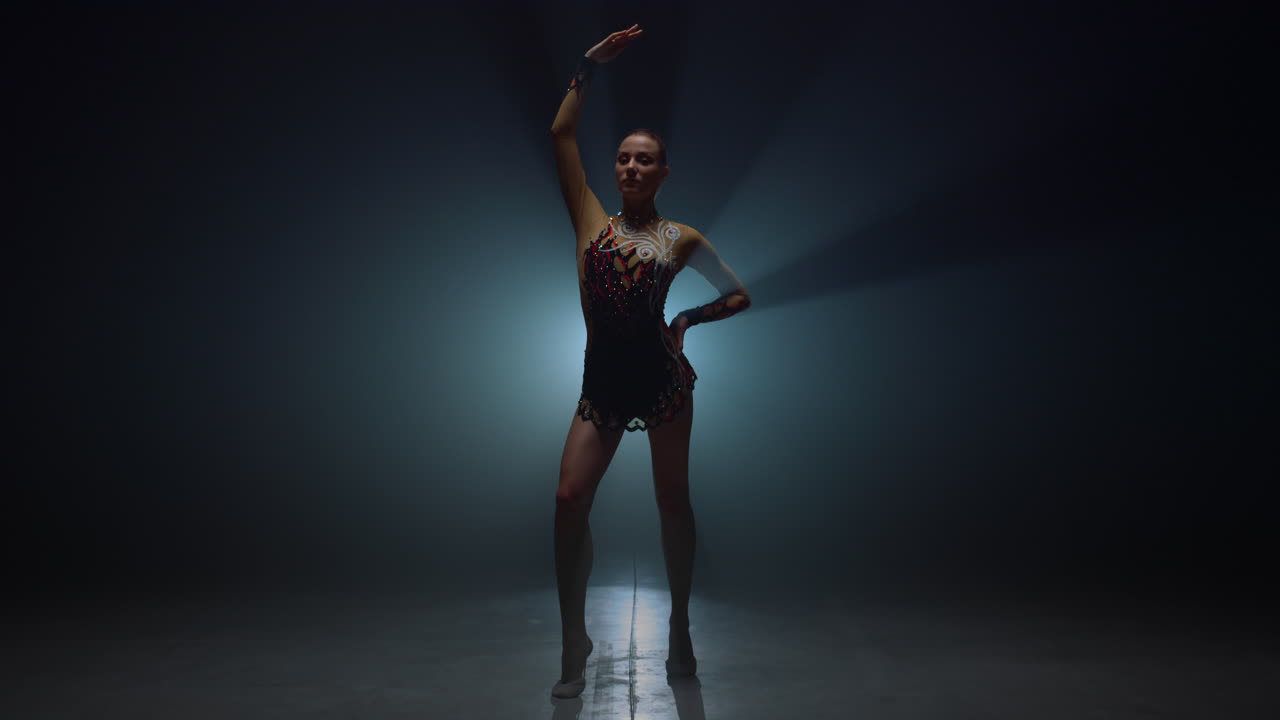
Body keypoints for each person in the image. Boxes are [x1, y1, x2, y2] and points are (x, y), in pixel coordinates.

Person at [548, 25, 752, 699]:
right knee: (569, 499)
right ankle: (574, 638)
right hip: (602, 384)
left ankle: (681, 628)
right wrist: (587, 66)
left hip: (664, 386)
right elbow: (560, 137)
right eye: (624, 159)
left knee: (673, 502)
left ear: (663, 172)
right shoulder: (590, 222)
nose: (632, 168)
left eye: (646, 161)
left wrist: (687, 320)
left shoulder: (679, 237)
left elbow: (739, 293)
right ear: (615, 169)